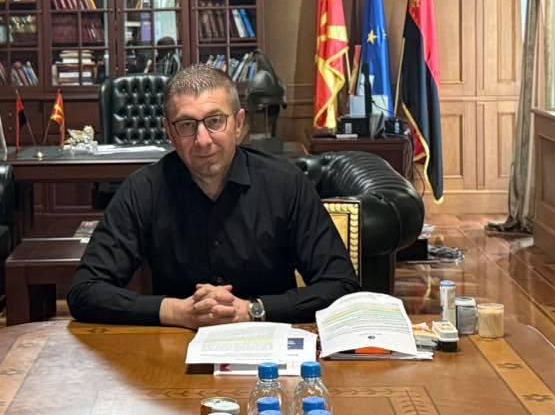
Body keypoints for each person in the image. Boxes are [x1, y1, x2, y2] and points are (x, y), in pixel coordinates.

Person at [68, 64, 358, 328]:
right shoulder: (143, 190)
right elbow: (85, 291)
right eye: (186, 125)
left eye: (215, 121)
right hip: (174, 347)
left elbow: (342, 286)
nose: (203, 140)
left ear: (239, 123)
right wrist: (175, 311)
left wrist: (253, 310)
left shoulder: (286, 184)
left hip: (270, 344)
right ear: (169, 131)